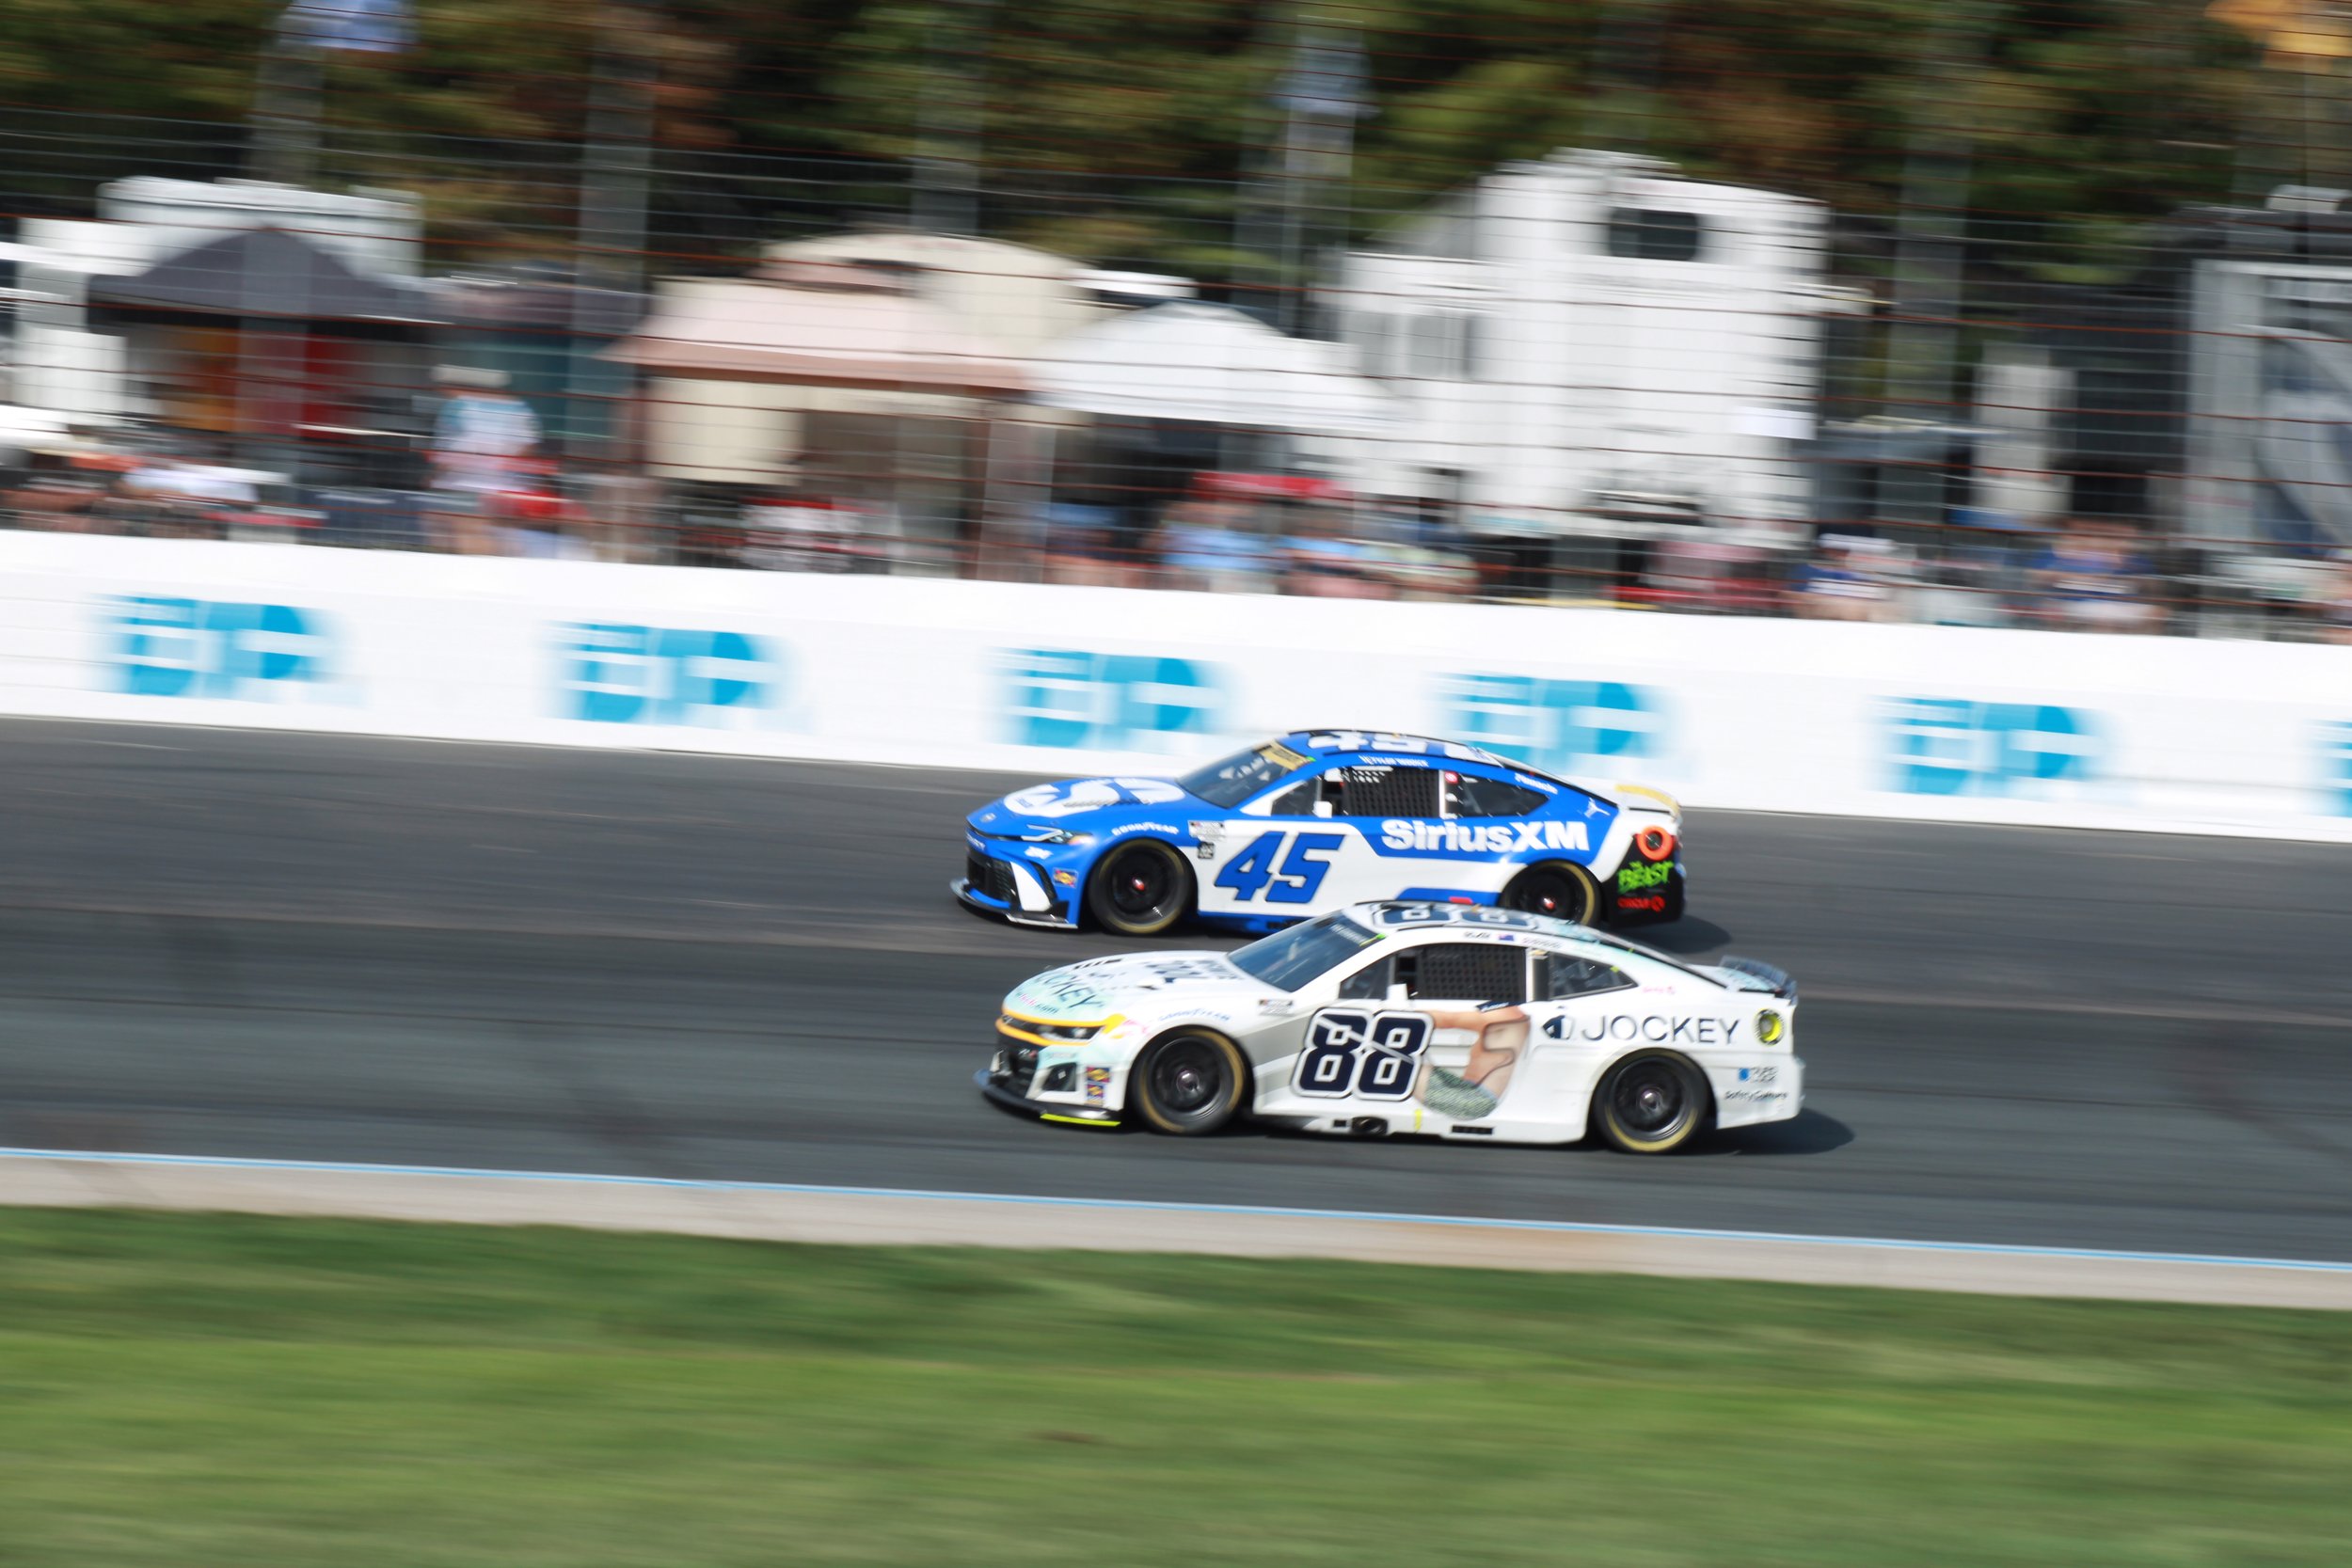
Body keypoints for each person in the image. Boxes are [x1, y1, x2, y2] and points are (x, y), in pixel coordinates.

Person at [428, 366, 541, 555]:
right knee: (504, 544)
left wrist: (433, 477)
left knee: (464, 541)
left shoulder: (459, 406)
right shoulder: (519, 408)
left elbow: (447, 453)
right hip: (507, 490)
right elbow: (528, 447)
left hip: (465, 489)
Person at [1413, 1003, 1531, 1121]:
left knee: (1406, 1069)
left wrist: (1400, 1014)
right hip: (1470, 1091)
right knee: (1411, 1062)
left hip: (1474, 1100)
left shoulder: (1502, 1014)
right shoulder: (1514, 1014)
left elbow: (1447, 1020)